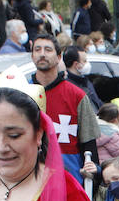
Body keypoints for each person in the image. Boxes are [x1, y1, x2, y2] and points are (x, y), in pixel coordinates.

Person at [28, 35, 100, 184]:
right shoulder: (21, 93)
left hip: (68, 176)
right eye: (37, 49)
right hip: (29, 175)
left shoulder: (77, 95)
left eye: (48, 50)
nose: (42, 54)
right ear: (32, 56)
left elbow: (89, 143)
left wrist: (94, 175)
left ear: (59, 56)